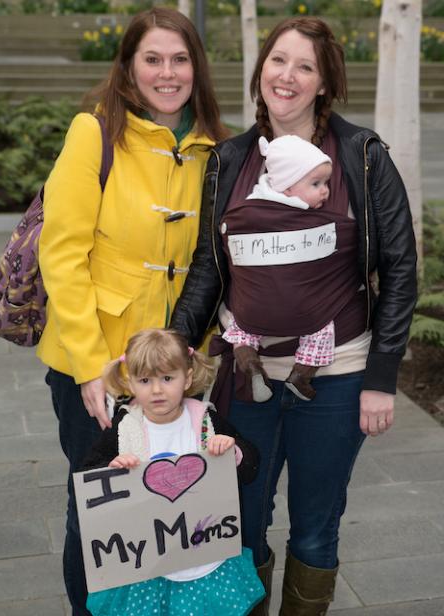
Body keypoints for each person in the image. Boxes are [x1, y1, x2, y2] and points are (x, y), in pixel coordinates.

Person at [170, 16, 417, 616]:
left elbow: (400, 270)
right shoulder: (228, 160)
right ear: (260, 73)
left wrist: (381, 379)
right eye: (278, 61)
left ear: (324, 83)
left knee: (314, 526)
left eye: (305, 66)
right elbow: (209, 264)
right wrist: (175, 341)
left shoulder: (360, 157)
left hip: (333, 379)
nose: (288, 76)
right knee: (240, 524)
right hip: (243, 375)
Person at [36, 7, 227, 615]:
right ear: (129, 65)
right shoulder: (94, 132)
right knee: (97, 507)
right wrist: (93, 367)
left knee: (172, 508)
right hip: (95, 364)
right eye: (153, 59)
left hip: (177, 365)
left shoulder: (214, 147)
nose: (167, 73)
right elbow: (61, 254)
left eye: (180, 59)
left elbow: (215, 259)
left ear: (196, 67)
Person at [81, 328, 265, 616]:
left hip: (204, 562)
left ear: (187, 378)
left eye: (167, 378)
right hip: (147, 567)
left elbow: (252, 465)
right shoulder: (124, 428)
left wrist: (232, 451)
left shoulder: (206, 421)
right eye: (145, 380)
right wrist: (112, 467)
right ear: (130, 382)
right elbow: (88, 474)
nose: (156, 390)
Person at [222, 134, 334, 403]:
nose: (325, 191)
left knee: (242, 325)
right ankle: (302, 374)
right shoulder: (306, 218)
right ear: (286, 187)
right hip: (301, 304)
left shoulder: (249, 207)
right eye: (316, 183)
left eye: (326, 183)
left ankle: (249, 362)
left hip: (255, 302)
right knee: (322, 328)